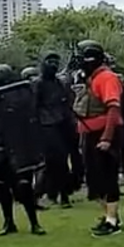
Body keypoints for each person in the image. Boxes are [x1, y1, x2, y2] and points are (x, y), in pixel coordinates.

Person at [0, 64, 46, 236]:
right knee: (1, 186)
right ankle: (9, 222)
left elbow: (28, 121)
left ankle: (34, 223)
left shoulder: (21, 96)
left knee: (24, 187)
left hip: (18, 147)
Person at [72, 40, 124, 237]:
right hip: (89, 134)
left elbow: (113, 109)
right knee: (94, 181)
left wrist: (107, 138)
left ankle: (112, 221)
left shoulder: (106, 78)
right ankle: (110, 215)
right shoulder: (90, 79)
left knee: (107, 177)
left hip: (103, 134)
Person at [35, 51, 77, 207]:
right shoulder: (39, 84)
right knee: (52, 163)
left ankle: (62, 195)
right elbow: (35, 107)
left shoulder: (59, 83)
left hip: (61, 124)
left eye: (55, 62)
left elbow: (66, 102)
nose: (53, 65)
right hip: (47, 126)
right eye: (50, 61)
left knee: (61, 161)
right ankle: (52, 193)